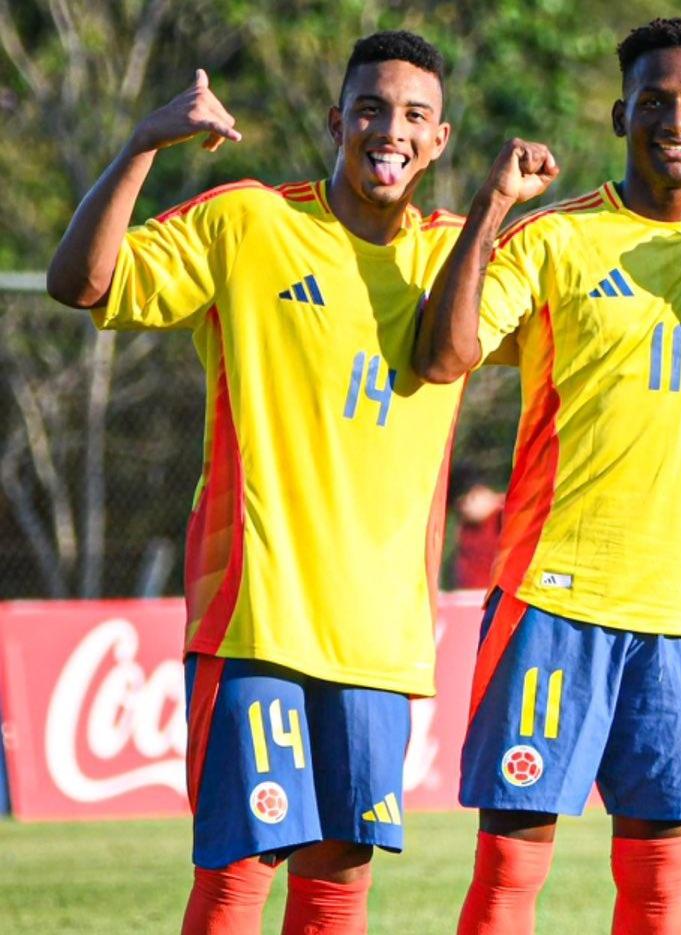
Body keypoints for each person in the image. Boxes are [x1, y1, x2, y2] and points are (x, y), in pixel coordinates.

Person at [46, 31, 465, 934]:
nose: (389, 130)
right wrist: (141, 146)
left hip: (379, 637)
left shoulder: (461, 262)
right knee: (238, 874)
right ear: (335, 122)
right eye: (371, 108)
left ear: (439, 143)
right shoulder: (248, 222)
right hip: (256, 616)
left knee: (336, 887)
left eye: (414, 117)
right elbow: (82, 284)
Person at [413, 18, 681, 935]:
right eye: (657, 100)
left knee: (661, 885)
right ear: (620, 110)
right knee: (511, 869)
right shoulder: (557, 240)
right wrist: (493, 205)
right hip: (556, 593)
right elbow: (449, 352)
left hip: (680, 608)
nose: (677, 118)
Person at [447, 463, 506, 590]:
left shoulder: (507, 514)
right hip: (472, 599)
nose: (464, 511)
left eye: (464, 503)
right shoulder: (467, 528)